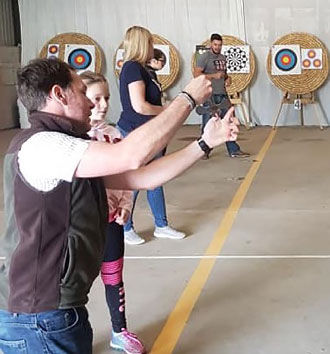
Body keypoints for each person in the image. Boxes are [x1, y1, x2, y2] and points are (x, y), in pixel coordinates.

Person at [0, 57, 237, 353]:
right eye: (82, 93)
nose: (91, 105)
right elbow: (131, 155)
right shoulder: (42, 146)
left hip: (53, 313)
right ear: (59, 95)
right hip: (39, 317)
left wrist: (203, 143)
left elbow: (142, 177)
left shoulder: (65, 148)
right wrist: (187, 98)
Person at [80, 71, 145, 354]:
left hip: (111, 223)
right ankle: (73, 332)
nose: (104, 104)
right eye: (96, 99)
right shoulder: (73, 139)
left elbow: (127, 176)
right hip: (81, 227)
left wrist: (126, 206)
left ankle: (119, 331)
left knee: (113, 277)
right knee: (75, 283)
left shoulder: (114, 135)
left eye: (106, 97)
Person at [117, 26, 184, 245]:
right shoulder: (132, 68)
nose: (152, 48)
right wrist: (169, 110)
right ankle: (124, 228)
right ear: (140, 44)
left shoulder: (144, 70)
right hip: (137, 132)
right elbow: (140, 106)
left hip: (151, 131)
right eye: (149, 43)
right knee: (135, 182)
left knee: (155, 179)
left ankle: (161, 225)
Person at [194, 33, 249, 158]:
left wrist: (228, 78)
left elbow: (224, 74)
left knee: (229, 121)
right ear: (210, 44)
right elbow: (196, 75)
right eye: (215, 44)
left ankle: (233, 150)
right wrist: (213, 76)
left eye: (219, 45)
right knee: (208, 123)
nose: (217, 47)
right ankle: (203, 151)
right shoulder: (204, 57)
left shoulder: (223, 58)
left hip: (222, 94)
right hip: (209, 94)